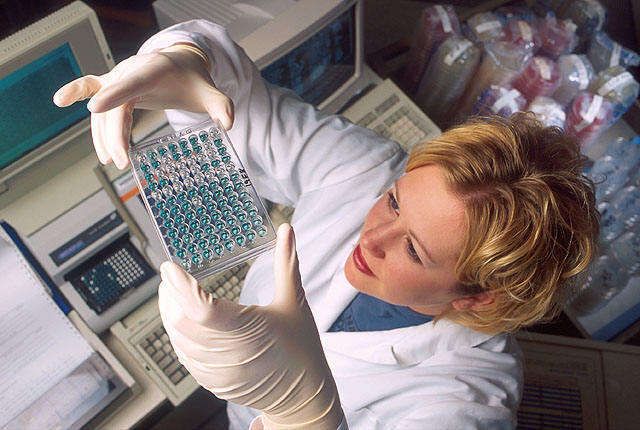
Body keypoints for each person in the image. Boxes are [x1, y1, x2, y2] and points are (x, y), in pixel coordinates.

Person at [53, 20, 599, 429]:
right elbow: (241, 109)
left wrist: (303, 415)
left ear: (478, 297)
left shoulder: (464, 398)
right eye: (394, 202)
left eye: (414, 250)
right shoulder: (367, 169)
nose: (372, 237)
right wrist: (185, 59)